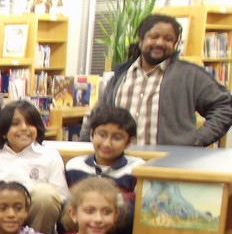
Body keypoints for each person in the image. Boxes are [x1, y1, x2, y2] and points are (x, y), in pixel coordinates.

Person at [78, 13, 232, 146]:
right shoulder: (120, 77)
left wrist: (196, 140)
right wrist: (82, 151)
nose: (160, 42)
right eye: (154, 37)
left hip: (167, 167)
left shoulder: (191, 75)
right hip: (121, 166)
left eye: (168, 39)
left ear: (175, 43)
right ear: (141, 40)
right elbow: (96, 117)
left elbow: (225, 106)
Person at [0, 100, 68, 234]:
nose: (24, 128)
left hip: (35, 216)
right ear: (4, 131)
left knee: (46, 195)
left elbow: (61, 198)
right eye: (15, 124)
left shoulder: (49, 155)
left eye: (30, 123)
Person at [65, 104, 143, 234]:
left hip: (119, 231)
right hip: (80, 230)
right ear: (91, 134)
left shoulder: (137, 168)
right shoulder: (75, 165)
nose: (107, 143)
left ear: (130, 142)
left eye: (117, 138)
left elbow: (139, 204)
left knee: (129, 209)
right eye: (102, 135)